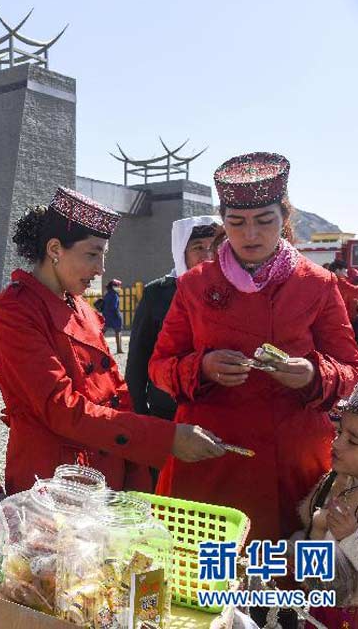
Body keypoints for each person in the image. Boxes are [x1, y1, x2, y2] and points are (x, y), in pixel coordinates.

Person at [150, 152, 358, 543]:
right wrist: (203, 367)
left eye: (264, 222)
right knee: (212, 578)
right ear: (222, 221)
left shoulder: (316, 283)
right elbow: (160, 366)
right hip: (213, 455)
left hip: (294, 460)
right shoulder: (195, 285)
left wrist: (315, 375)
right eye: (236, 223)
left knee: (285, 574)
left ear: (284, 217)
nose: (250, 235)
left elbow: (350, 368)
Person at [0, 187, 225, 495]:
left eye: (104, 255)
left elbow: (118, 391)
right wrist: (164, 438)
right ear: (55, 248)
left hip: (108, 465)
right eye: (92, 254)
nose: (100, 269)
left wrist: (137, 463)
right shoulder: (15, 311)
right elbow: (61, 407)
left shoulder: (80, 305)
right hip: (55, 479)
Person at [125, 216, 222, 423]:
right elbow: (138, 360)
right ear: (181, 253)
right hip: (168, 411)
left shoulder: (229, 291)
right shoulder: (158, 293)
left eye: (212, 247)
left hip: (216, 410)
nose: (207, 255)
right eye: (198, 247)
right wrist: (141, 415)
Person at [293, 388, 358, 629]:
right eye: (339, 432)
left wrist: (350, 538)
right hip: (322, 606)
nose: (337, 443)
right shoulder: (334, 482)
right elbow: (313, 536)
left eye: (352, 441)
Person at [330, 259, 358, 340]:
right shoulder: (337, 279)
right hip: (337, 318)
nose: (346, 274)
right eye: (344, 271)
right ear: (338, 270)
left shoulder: (329, 278)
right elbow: (353, 290)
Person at [102, 279, 124, 354]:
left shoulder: (107, 294)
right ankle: (119, 349)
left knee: (102, 332)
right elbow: (114, 306)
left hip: (106, 315)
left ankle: (99, 345)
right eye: (118, 286)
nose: (119, 288)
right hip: (115, 316)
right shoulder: (115, 295)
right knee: (118, 332)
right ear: (114, 287)